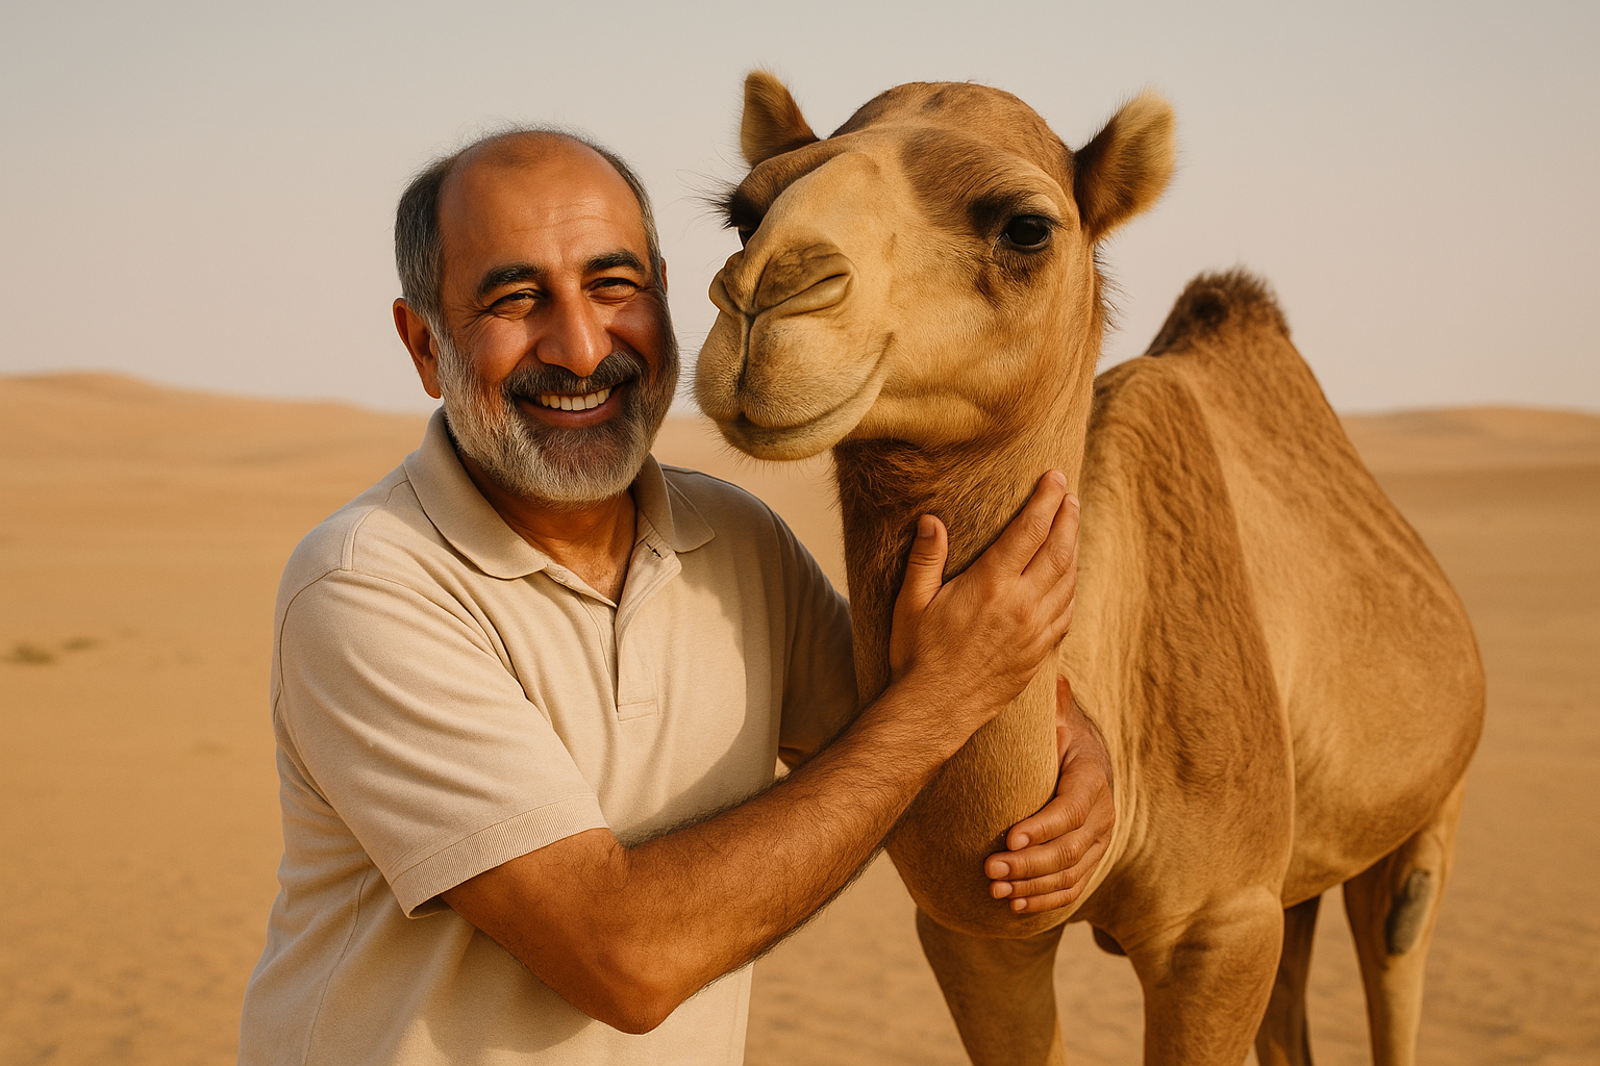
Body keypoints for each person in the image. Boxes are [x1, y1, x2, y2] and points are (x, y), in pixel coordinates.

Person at [238, 127, 1113, 1066]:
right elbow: (623, 959)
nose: (579, 349)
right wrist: (948, 698)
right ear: (424, 345)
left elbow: (909, 742)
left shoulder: (735, 544)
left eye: (614, 287)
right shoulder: (370, 585)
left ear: (665, 295)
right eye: (515, 297)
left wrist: (1071, 741)